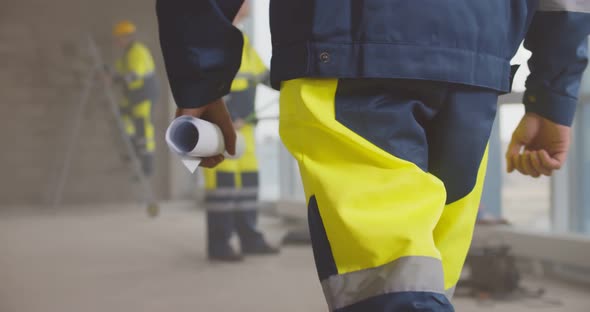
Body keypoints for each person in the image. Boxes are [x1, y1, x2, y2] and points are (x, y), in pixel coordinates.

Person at [156, 1, 590, 311]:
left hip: (345, 47)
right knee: (419, 278)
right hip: (474, 67)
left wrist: (199, 79)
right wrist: (553, 96)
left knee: (392, 289)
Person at [202, 2, 279, 262]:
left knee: (247, 184)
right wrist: (225, 115)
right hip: (220, 127)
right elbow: (206, 81)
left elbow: (260, 75)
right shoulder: (212, 36)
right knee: (223, 188)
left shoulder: (241, 40)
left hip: (244, 127)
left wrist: (292, 78)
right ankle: (219, 244)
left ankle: (249, 238)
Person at [108, 21, 160, 177]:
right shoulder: (127, 54)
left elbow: (134, 75)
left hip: (143, 96)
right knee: (121, 117)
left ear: (127, 37)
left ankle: (147, 167)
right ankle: (132, 148)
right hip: (133, 97)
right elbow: (118, 70)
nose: (117, 41)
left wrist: (115, 79)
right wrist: (108, 74)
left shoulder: (137, 51)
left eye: (119, 38)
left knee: (143, 131)